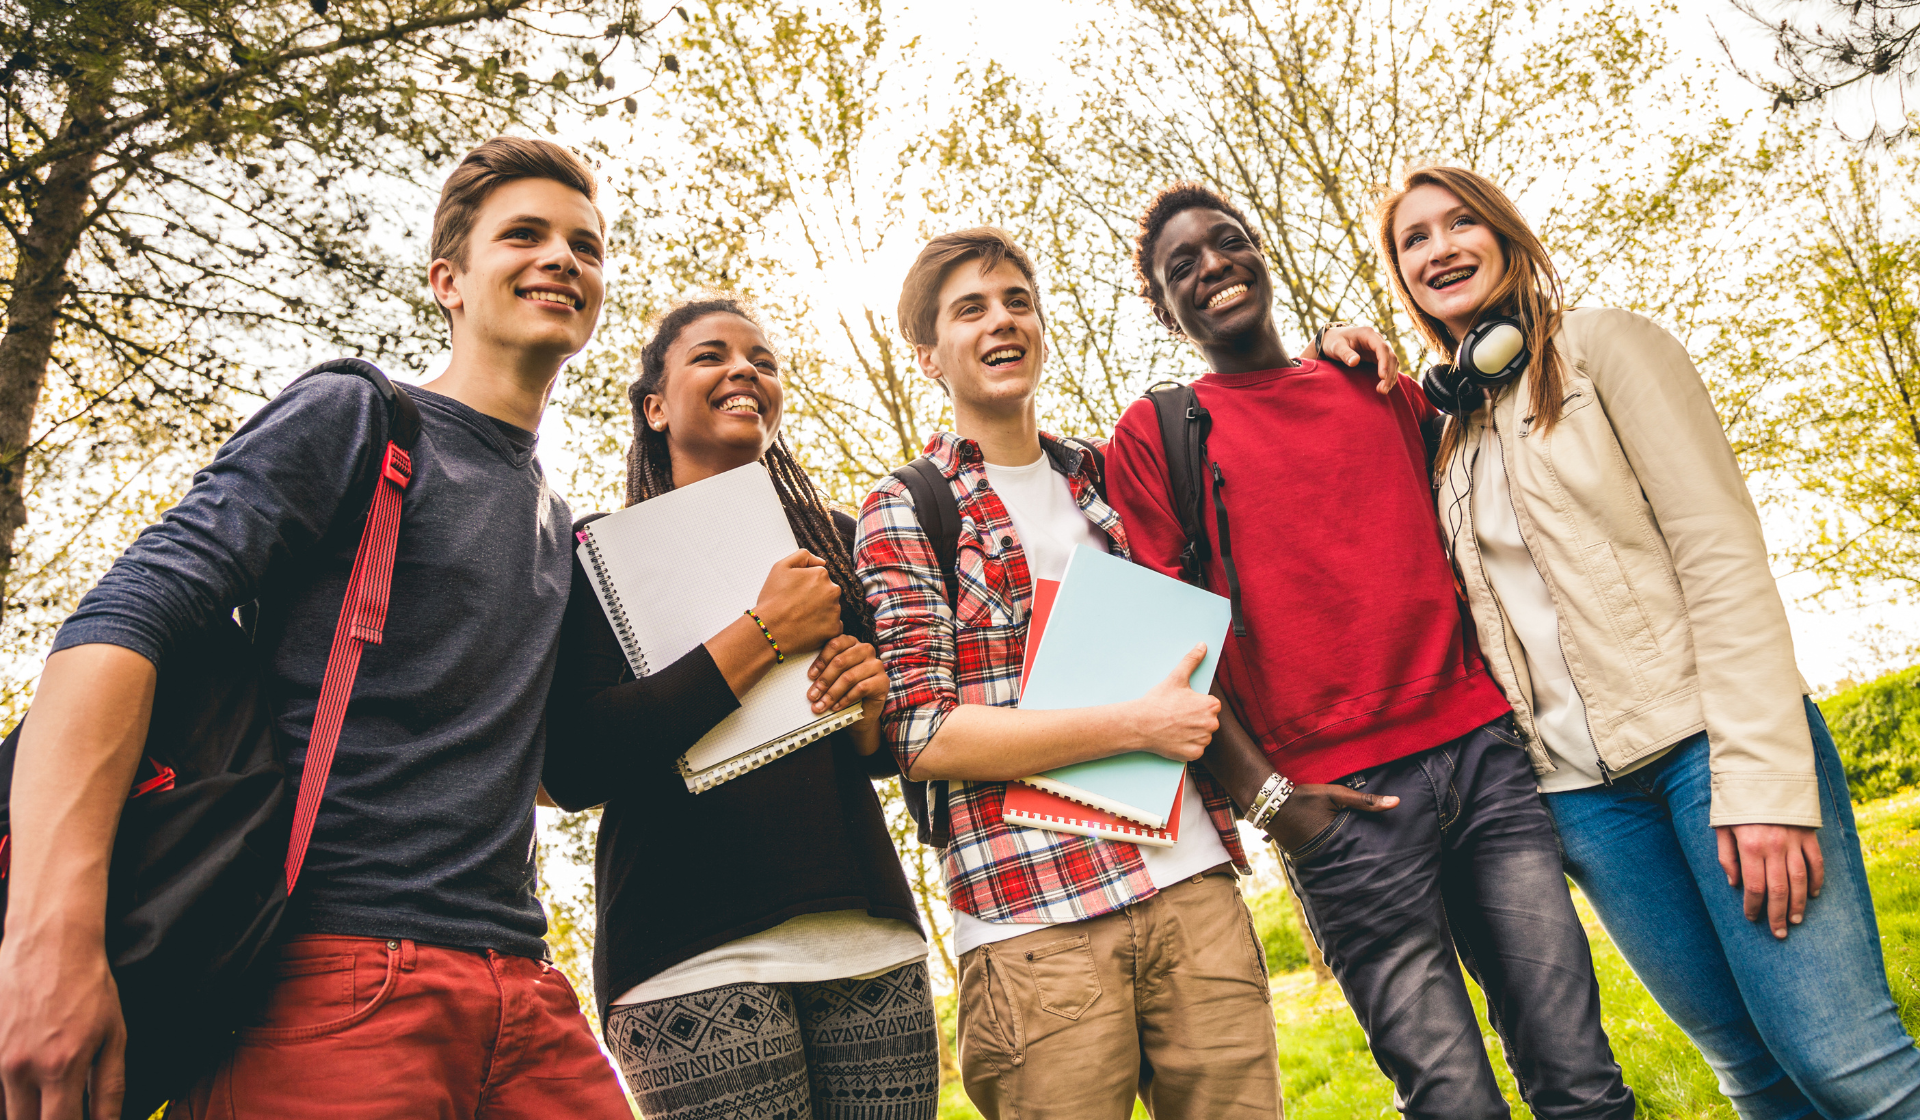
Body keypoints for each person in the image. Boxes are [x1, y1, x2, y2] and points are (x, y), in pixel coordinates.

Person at [0, 137, 633, 1118]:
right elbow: (120, 620)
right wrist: (49, 940)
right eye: (526, 235)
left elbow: (538, 768)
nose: (563, 259)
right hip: (336, 976)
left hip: (529, 994)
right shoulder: (361, 420)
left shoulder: (563, 520)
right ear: (448, 281)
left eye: (586, 247)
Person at [1375, 164, 1920, 1120]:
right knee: (1752, 1075)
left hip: (1710, 752)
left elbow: (1721, 555)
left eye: (1461, 223)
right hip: (1586, 805)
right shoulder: (1447, 439)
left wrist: (1762, 774)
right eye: (1413, 239)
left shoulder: (1604, 349)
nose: (1440, 248)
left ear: (1506, 236)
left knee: (1847, 1064)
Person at [1104, 181, 1639, 1120]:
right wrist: (1272, 802)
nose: (1212, 268)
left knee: (1581, 1081)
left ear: (1258, 251)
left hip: (1486, 764)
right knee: (1451, 1101)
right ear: (1161, 305)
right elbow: (1166, 652)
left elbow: (1487, 500)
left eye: (1226, 243)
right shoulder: (1156, 434)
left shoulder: (1372, 384)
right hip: (1341, 814)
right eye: (1179, 267)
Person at [854, 226, 1387, 1120]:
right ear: (927, 358)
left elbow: (1267, 466)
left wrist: (1326, 358)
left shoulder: (1113, 475)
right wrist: (1133, 726)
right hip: (1035, 929)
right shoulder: (908, 507)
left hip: (1191, 890)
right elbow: (921, 733)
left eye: (1017, 300)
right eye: (971, 309)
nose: (1002, 322)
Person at [542, 297, 939, 1120]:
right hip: (687, 950)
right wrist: (762, 633)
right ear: (654, 407)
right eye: (712, 356)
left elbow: (878, 747)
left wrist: (867, 703)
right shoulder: (599, 558)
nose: (744, 371)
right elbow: (573, 763)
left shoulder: (833, 540)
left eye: (762, 359)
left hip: (865, 933)